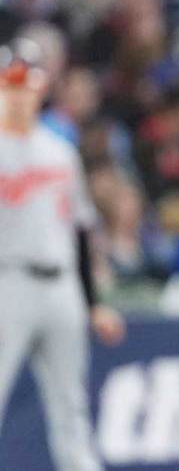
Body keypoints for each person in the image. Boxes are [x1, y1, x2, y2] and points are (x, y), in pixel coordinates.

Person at [0, 39, 126, 471]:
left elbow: (79, 231)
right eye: (11, 85)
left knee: (72, 406)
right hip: (8, 283)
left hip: (63, 287)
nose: (20, 95)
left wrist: (93, 302)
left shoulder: (60, 151)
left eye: (27, 86)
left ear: (40, 90)